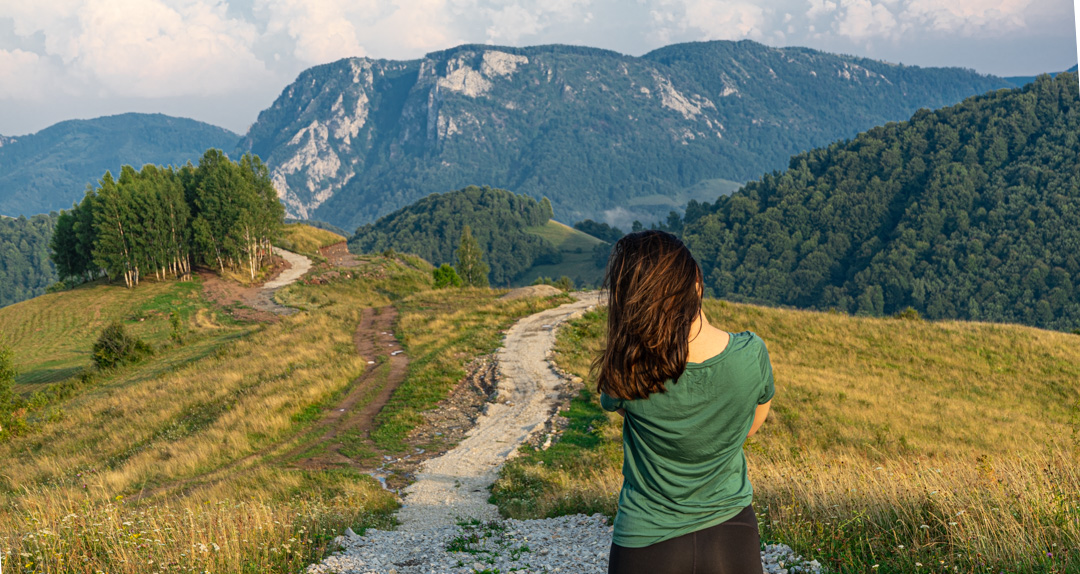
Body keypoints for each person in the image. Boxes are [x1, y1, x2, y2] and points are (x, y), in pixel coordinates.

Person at [596, 230, 774, 574]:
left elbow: (613, 400)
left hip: (646, 541)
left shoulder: (628, 370)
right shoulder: (752, 355)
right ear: (697, 282)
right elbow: (750, 427)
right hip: (732, 535)